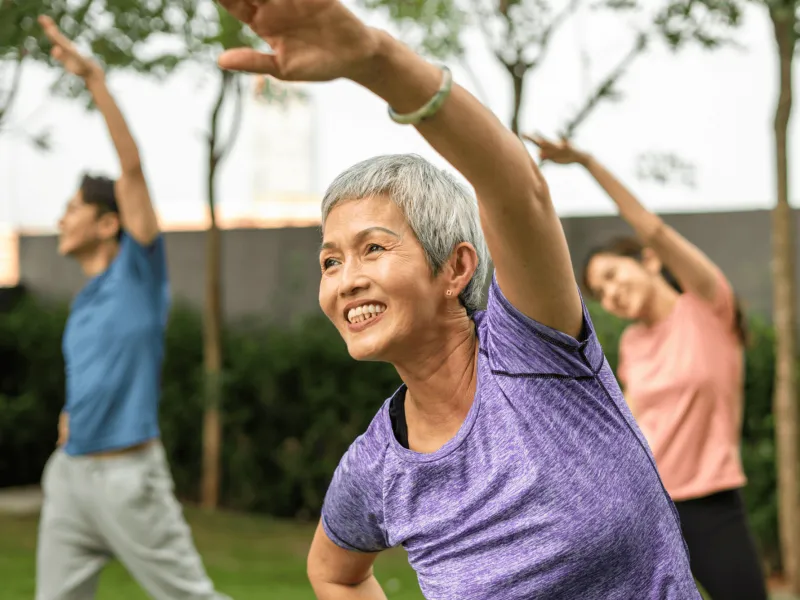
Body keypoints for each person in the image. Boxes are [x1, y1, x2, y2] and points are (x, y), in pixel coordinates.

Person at [216, 2, 700, 598]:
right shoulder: (377, 468)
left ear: (456, 267)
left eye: (373, 248)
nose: (346, 281)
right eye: (330, 261)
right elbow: (332, 574)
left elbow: (516, 188)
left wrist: (377, 61)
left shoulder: (532, 351)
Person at [35, 16, 229, 600]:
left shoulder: (139, 274)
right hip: (69, 475)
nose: (60, 221)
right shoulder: (86, 300)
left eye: (72, 209)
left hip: (128, 481)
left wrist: (95, 81)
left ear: (108, 223)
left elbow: (132, 171)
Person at [527, 134, 768, 600]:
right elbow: (627, 423)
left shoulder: (706, 307)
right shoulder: (634, 344)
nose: (611, 294)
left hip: (710, 507)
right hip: (641, 507)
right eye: (601, 292)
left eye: (614, 275)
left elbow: (652, 228)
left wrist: (586, 161)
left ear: (650, 262)